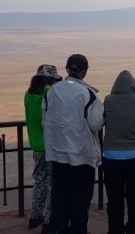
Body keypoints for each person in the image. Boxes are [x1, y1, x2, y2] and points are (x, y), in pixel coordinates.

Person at [42, 54, 104, 234]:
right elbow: (96, 124)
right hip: (82, 156)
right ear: (85, 72)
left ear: (67, 69)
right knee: (80, 199)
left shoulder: (52, 92)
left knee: (59, 196)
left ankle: (58, 229)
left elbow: (45, 119)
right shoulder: (88, 94)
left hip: (57, 154)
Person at [102, 70, 135, 234]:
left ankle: (115, 229)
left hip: (111, 157)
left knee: (114, 198)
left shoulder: (107, 100)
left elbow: (102, 121)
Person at [24, 65, 63, 231]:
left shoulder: (28, 94)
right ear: (49, 80)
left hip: (37, 146)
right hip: (51, 146)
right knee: (52, 183)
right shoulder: (49, 93)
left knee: (39, 180)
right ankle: (48, 220)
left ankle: (35, 216)